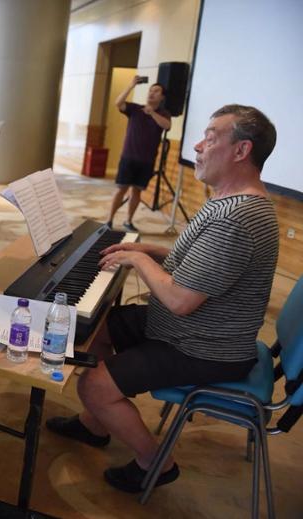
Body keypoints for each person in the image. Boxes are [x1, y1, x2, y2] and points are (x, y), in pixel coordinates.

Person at [47, 105, 279, 494]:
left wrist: (138, 260)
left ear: (241, 150)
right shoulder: (231, 201)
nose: (198, 146)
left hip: (205, 348)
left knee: (94, 386)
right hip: (192, 332)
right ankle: (94, 424)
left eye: (210, 138)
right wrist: (152, 250)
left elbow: (181, 300)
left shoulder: (236, 220)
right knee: (95, 327)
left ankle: (156, 464)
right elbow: (201, 263)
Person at [106, 77, 172, 232]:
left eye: (156, 91)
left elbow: (167, 126)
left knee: (137, 191)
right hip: (128, 158)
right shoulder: (135, 109)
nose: (152, 93)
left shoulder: (164, 114)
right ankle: (109, 221)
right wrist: (131, 85)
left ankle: (128, 221)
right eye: (150, 90)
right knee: (121, 189)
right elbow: (118, 103)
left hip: (147, 161)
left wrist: (152, 113)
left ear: (162, 97)